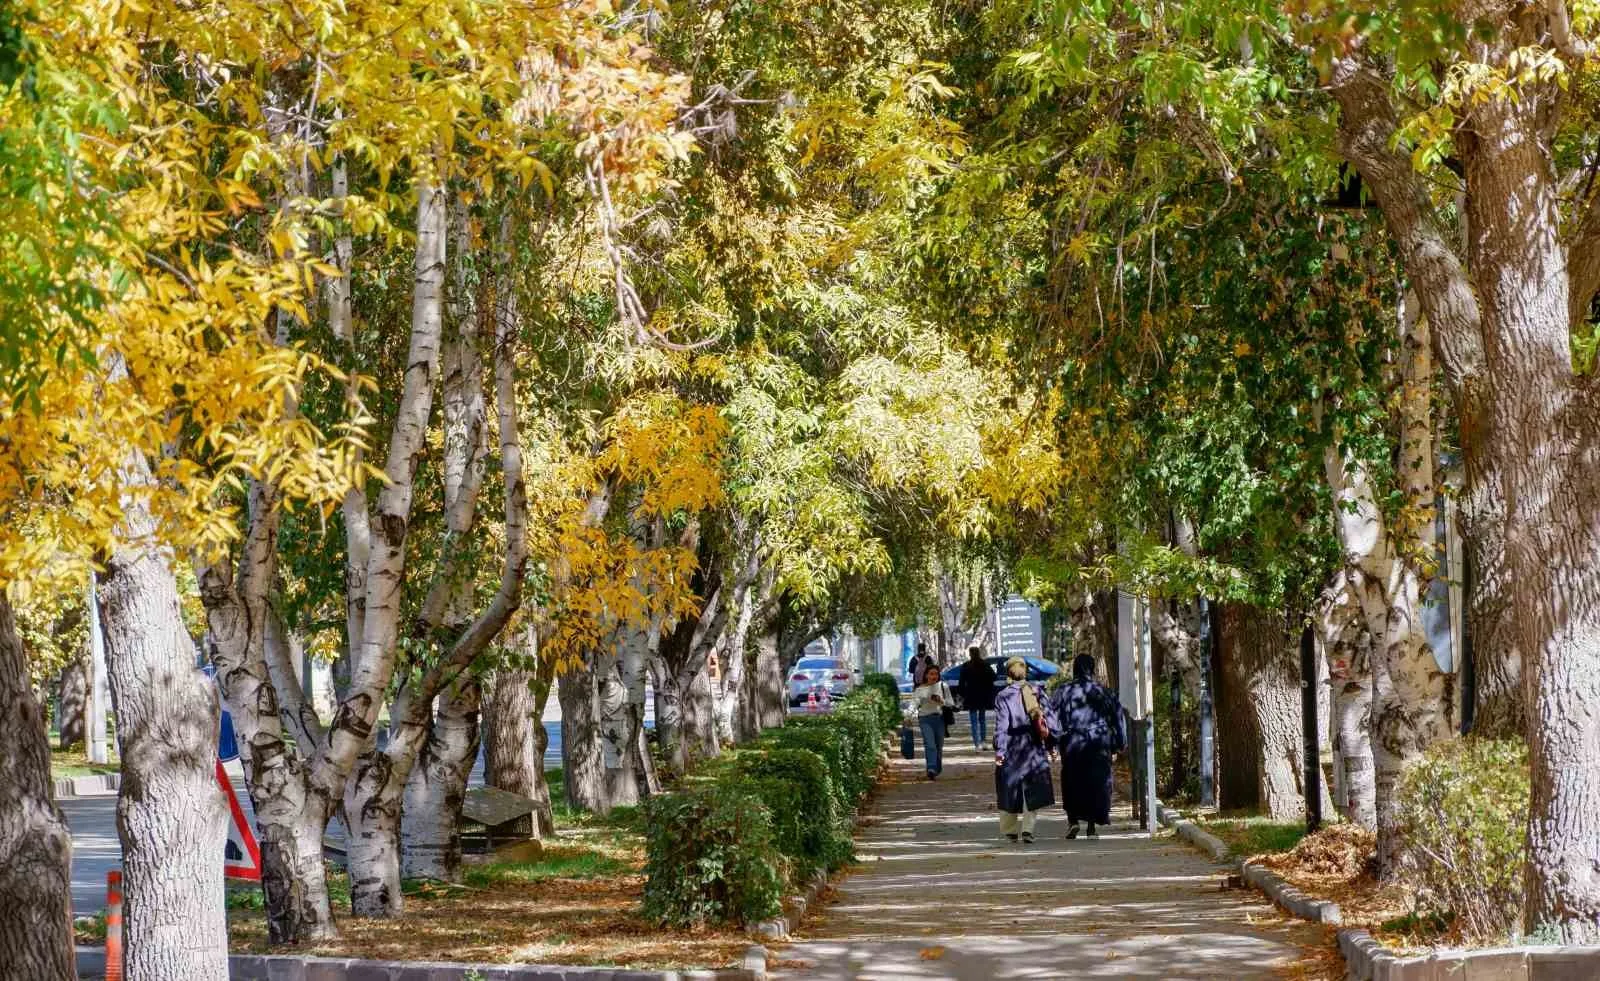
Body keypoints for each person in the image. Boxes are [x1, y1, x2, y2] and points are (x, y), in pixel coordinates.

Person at [1050, 653, 1125, 839]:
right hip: (1099, 742)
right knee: (1096, 783)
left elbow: (1052, 716)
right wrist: (1119, 743)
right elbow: (1117, 718)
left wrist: (1052, 741)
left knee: (1073, 782)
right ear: (1092, 669)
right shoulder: (1103, 692)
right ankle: (1092, 826)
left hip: (1072, 741)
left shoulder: (1064, 690)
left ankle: (1073, 821)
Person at [993, 656, 1054, 843]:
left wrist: (1000, 750)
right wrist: (1052, 745)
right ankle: (1028, 830)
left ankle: (1010, 831)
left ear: (1008, 673)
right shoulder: (1036, 691)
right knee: (1032, 789)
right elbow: (1049, 720)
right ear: (1025, 671)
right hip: (1034, 746)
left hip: (1012, 747)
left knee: (1009, 788)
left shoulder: (1003, 696)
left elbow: (1002, 726)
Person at [911, 663, 951, 780]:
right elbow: (914, 704)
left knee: (938, 746)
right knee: (930, 745)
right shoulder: (920, 689)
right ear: (926, 675)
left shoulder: (943, 687)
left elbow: (950, 703)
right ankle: (931, 768)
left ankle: (937, 768)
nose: (934, 676)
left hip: (939, 719)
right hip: (925, 719)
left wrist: (941, 700)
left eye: (936, 674)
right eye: (931, 674)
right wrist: (908, 715)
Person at [957, 646, 996, 749]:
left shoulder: (966, 666)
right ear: (979, 653)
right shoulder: (985, 665)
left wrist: (961, 695)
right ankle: (983, 742)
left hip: (971, 696)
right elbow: (993, 677)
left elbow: (961, 683)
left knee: (973, 720)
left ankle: (976, 744)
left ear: (970, 654)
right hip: (982, 695)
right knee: (982, 719)